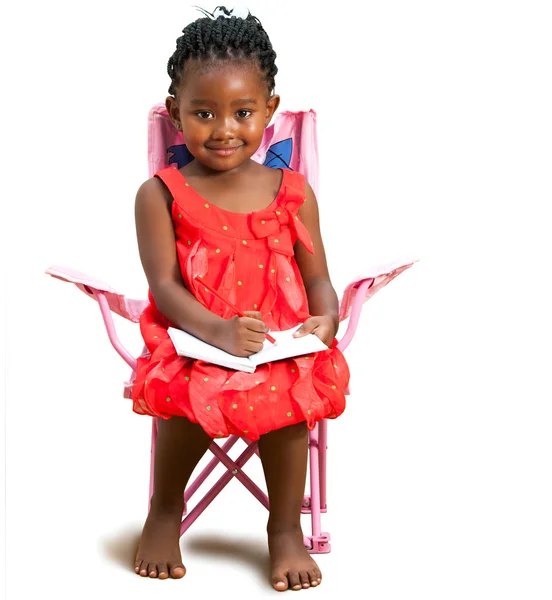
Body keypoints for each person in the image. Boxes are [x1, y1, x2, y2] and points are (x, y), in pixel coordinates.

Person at [131, 6, 350, 592]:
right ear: (176, 113)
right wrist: (219, 332)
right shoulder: (160, 194)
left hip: (277, 342)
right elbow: (165, 288)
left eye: (242, 112)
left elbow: (319, 278)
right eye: (203, 113)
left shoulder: (293, 193)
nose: (223, 128)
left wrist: (325, 317)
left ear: (270, 112)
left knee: (287, 398)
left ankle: (284, 530)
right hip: (195, 337)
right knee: (191, 391)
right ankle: (164, 512)